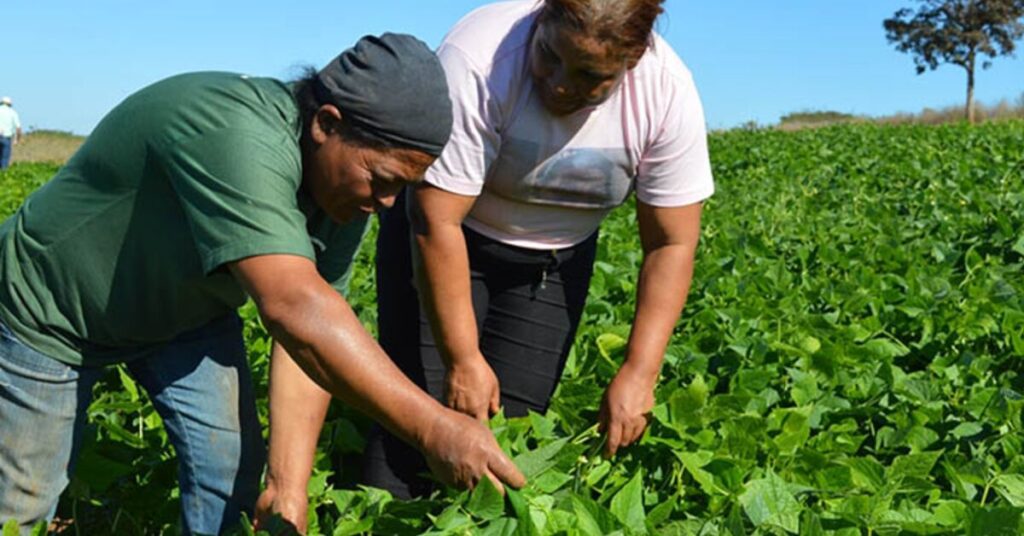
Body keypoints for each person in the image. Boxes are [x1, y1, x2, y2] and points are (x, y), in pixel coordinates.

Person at [0, 34, 524, 535]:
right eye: (382, 179)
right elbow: (295, 306)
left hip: (184, 314)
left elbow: (310, 341)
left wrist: (289, 485)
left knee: (228, 468)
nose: (388, 202)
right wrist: (433, 427)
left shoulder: (346, 196)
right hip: (53, 310)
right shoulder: (237, 131)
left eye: (401, 188)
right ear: (326, 123)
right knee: (22, 505)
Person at [363, 0, 714, 497]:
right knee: (422, 420)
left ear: (631, 60)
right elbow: (436, 221)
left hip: (550, 267)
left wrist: (639, 371)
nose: (560, 83)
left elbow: (671, 242)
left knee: (513, 443)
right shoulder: (479, 60)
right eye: (549, 54)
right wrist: (462, 359)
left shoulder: (665, 92)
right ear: (541, 19)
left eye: (590, 74)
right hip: (442, 241)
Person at [0, 97, 22, 170]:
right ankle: (3, 177)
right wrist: (17, 139)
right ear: (10, 104)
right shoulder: (13, 112)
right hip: (6, 138)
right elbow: (18, 128)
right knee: (4, 159)